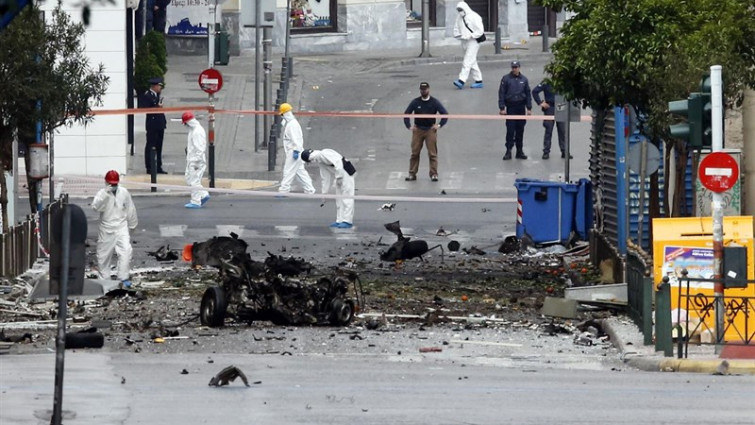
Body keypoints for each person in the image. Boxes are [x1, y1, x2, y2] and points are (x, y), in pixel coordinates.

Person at [92, 170, 138, 288]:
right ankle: (105, 280)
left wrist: (132, 225)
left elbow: (130, 208)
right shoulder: (102, 193)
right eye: (110, 184)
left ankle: (123, 278)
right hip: (106, 227)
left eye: (114, 184)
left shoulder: (124, 193)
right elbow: (96, 207)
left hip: (121, 226)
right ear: (106, 182)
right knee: (103, 255)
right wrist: (105, 196)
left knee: (126, 251)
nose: (113, 186)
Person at [403, 82, 448, 182]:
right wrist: (409, 126)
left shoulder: (434, 102)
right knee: (414, 153)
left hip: (430, 130)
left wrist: (439, 125)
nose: (423, 91)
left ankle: (434, 174)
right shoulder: (415, 102)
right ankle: (412, 173)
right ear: (420, 90)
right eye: (422, 90)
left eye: (425, 89)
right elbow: (406, 114)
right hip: (418, 129)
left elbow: (445, 114)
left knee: (432, 154)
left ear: (429, 90)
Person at [301, 148, 356, 229]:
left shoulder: (323, 154)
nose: (312, 162)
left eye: (310, 161)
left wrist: (339, 177)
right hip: (340, 174)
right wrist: (324, 194)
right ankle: (340, 220)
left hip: (347, 172)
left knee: (347, 198)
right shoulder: (321, 161)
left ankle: (348, 221)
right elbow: (325, 178)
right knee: (339, 199)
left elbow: (338, 162)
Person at [278, 103, 316, 195]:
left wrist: (296, 151)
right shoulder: (292, 123)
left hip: (294, 152)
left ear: (284, 114)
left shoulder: (292, 125)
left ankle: (284, 190)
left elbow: (296, 140)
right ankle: (309, 189)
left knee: (288, 171)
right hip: (296, 151)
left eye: (282, 114)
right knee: (300, 172)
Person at [498, 61, 532, 160]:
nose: (514, 69)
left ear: (519, 68)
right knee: (510, 130)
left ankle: (519, 151)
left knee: (520, 130)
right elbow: (502, 93)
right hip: (511, 107)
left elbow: (528, 94)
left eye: (516, 67)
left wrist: (529, 108)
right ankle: (508, 151)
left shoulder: (524, 79)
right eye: (513, 67)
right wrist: (502, 107)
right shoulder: (506, 79)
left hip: (521, 107)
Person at [532, 81, 571, 160]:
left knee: (562, 130)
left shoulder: (563, 81)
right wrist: (540, 103)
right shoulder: (547, 82)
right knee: (548, 130)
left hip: (561, 105)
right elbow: (535, 91)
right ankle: (546, 152)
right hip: (550, 107)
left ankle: (564, 151)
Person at [452, 2, 485, 90]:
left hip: (473, 42)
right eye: (458, 10)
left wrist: (470, 36)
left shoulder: (475, 16)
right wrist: (458, 35)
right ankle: (479, 81)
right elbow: (456, 28)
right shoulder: (459, 17)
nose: (460, 12)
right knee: (472, 61)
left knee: (467, 61)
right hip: (463, 41)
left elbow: (480, 31)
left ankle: (461, 80)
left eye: (461, 10)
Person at [181, 111, 211, 209]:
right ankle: (203, 194)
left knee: (194, 180)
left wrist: (197, 162)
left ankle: (196, 201)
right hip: (192, 160)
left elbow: (200, 148)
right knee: (190, 179)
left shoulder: (197, 132)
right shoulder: (194, 130)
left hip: (196, 161)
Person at [141, 77, 167, 174]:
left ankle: (158, 166)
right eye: (159, 86)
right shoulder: (148, 96)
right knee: (151, 145)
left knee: (159, 146)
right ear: (155, 86)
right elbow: (146, 109)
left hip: (159, 124)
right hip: (152, 125)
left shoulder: (157, 95)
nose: (160, 88)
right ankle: (149, 167)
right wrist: (157, 107)